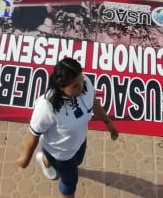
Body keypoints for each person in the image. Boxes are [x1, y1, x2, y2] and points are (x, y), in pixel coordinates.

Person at [16, 57, 118, 196]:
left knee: (79, 161)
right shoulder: (47, 107)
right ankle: (49, 159)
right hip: (60, 154)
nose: (81, 87)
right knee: (70, 181)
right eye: (74, 86)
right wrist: (25, 158)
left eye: (81, 80)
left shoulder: (85, 84)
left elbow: (94, 102)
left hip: (79, 142)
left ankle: (45, 160)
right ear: (61, 87)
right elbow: (34, 134)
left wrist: (108, 122)